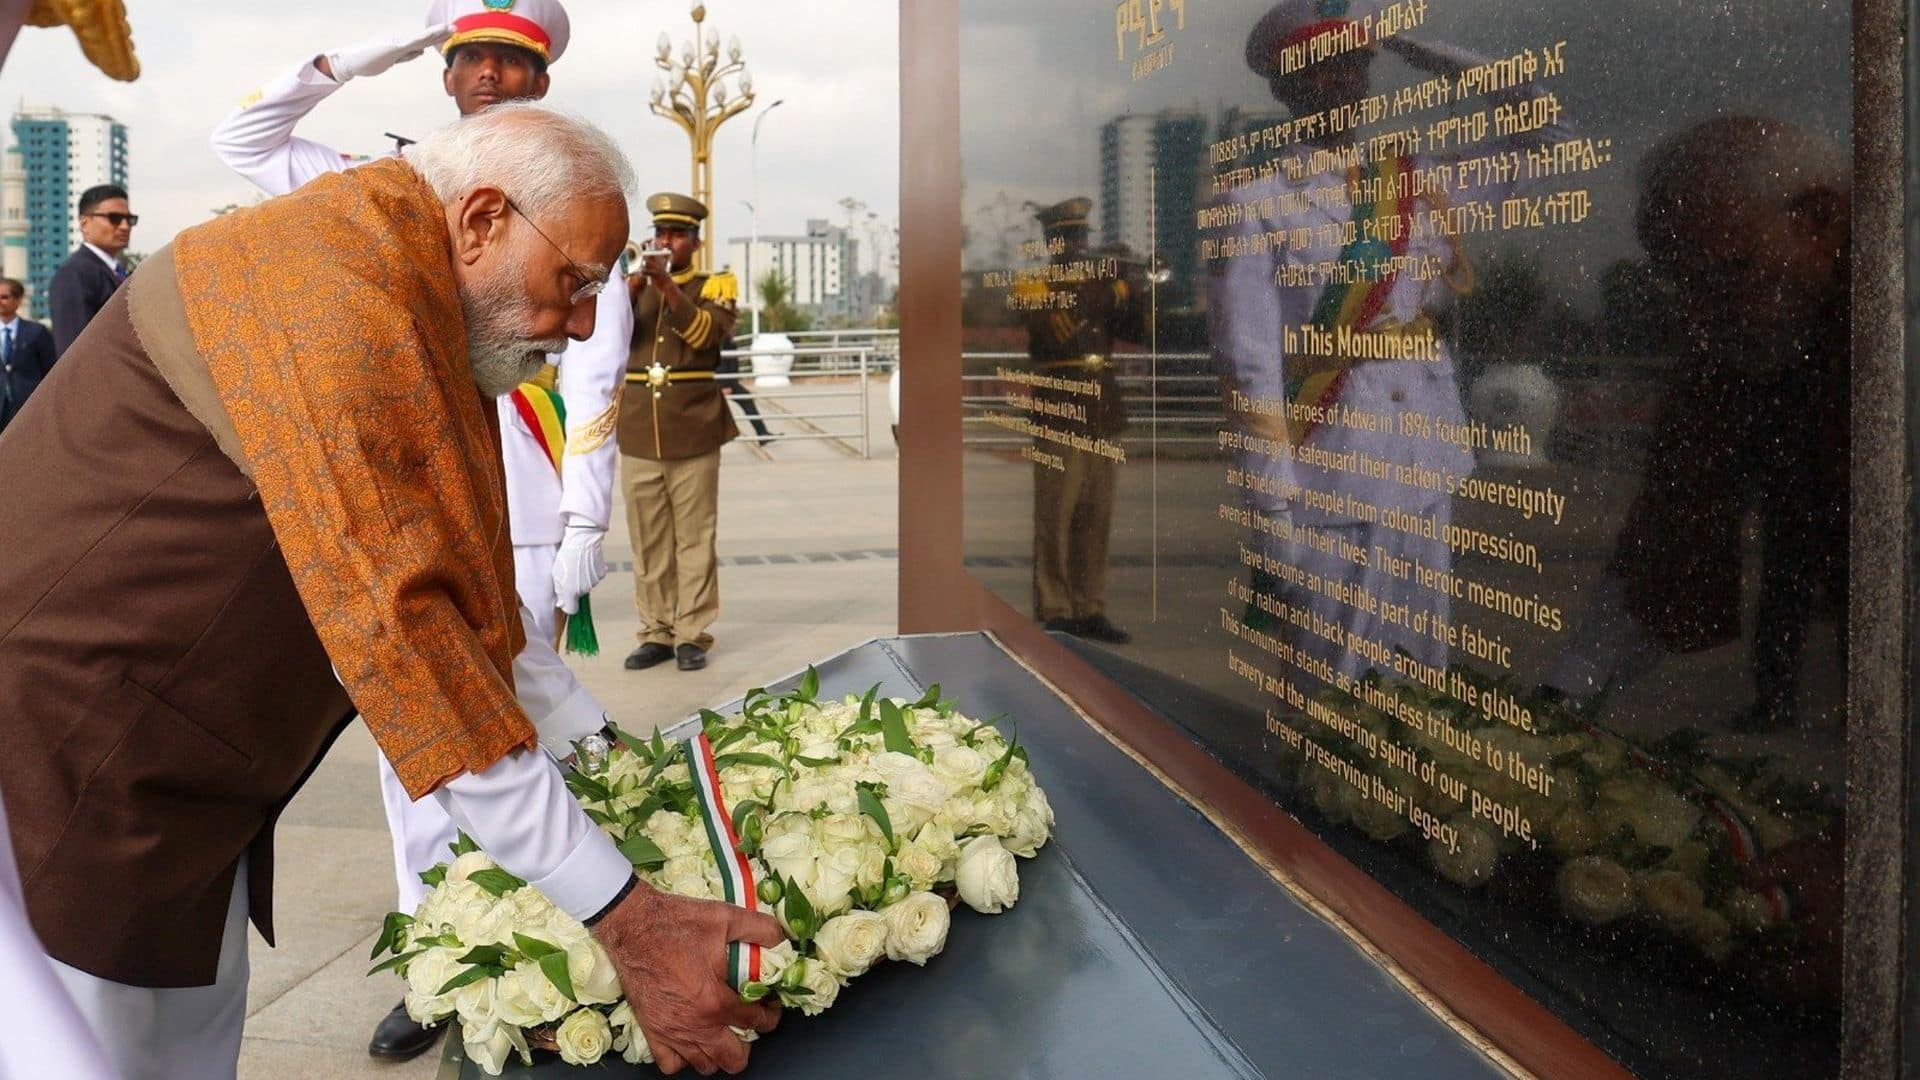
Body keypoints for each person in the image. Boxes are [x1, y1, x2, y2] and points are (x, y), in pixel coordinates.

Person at [0, 104, 783, 1080]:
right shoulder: (336, 295)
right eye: (574, 283)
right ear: (484, 220)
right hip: (70, 783)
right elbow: (403, 634)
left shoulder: (394, 283)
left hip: (173, 797)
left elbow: (468, 610)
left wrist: (609, 761)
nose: (582, 325)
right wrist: (628, 919)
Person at [210, 1, 630, 1057]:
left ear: (540, 81)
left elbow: (595, 365)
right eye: (467, 56)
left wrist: (583, 514)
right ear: (443, 73)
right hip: (406, 509)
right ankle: (445, 953)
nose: (487, 74)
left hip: (522, 515)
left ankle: (553, 934)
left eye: (509, 61)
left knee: (505, 736)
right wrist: (371, 49)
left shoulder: (570, 198)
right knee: (418, 757)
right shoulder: (378, 186)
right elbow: (239, 139)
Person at [1210, 0, 1570, 686]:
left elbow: (1548, 135)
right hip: (1330, 469)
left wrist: (1417, 46)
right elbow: (1248, 366)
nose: (1341, 82)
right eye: (1319, 71)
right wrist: (1272, 507)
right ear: (1285, 88)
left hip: (1424, 459)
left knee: (1418, 675)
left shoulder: (1416, 181)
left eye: (1353, 64)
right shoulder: (1255, 201)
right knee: (1329, 680)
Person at [1541, 117, 1850, 733]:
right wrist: (1560, 698)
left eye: (1731, 270)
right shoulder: (1728, 355)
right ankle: (1778, 698)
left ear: (1822, 221)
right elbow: (1659, 544)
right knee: (1788, 583)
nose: (1699, 314)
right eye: (1680, 282)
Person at [618, 193, 739, 673]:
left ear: (695, 241)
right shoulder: (631, 287)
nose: (665, 241)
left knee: (693, 538)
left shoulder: (715, 285)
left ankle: (692, 633)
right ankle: (656, 631)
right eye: (660, 232)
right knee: (647, 541)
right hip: (639, 430)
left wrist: (667, 286)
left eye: (676, 235)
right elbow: (603, 334)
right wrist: (631, 285)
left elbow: (707, 334)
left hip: (694, 429)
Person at [1020, 197, 1140, 644]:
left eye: (1080, 237)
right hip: (1060, 408)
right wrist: (1114, 288)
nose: (1075, 245)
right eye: (1067, 238)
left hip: (1101, 410)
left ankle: (1090, 605)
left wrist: (1135, 286)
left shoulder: (1099, 282)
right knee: (1055, 514)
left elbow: (1138, 330)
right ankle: (1055, 604)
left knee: (1096, 515)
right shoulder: (1035, 284)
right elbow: (1057, 326)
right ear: (1051, 242)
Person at [48, 183, 134, 356]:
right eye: (114, 218)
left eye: (130, 219)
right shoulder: (74, 274)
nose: (125, 226)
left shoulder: (118, 271)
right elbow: (73, 351)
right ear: (85, 224)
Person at [0, 278, 56, 435]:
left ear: (18, 300)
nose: (0, 302)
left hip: (28, 406)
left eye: (4, 297)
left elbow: (50, 370)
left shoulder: (37, 332)